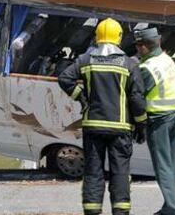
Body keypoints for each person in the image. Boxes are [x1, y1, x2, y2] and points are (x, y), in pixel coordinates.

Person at [58, 18, 147, 215]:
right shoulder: (129, 64)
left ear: (97, 37)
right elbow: (137, 99)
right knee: (120, 173)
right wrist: (141, 125)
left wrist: (80, 96)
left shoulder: (86, 60)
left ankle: (92, 211)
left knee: (93, 172)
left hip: (93, 126)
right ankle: (120, 211)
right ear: (119, 38)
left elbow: (64, 78)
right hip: (120, 128)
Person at [134, 27, 175, 215]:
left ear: (145, 46)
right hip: (174, 115)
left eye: (139, 45)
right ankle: (169, 206)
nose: (137, 49)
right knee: (170, 165)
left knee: (162, 166)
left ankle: (171, 209)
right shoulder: (166, 59)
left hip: (159, 120)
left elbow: (136, 96)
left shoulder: (148, 68)